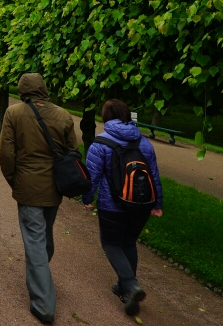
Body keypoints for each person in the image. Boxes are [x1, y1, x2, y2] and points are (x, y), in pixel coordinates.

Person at [0, 72, 78, 325]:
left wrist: (13, 179)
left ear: (23, 89)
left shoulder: (14, 113)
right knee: (45, 234)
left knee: (35, 240)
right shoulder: (64, 115)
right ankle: (41, 272)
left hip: (27, 184)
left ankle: (43, 304)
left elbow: (7, 153)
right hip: (53, 187)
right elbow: (73, 153)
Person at [83, 99, 163, 316]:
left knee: (110, 243)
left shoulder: (100, 143)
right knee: (128, 243)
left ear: (106, 117)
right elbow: (153, 175)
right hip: (142, 204)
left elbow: (93, 177)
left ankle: (130, 284)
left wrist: (87, 198)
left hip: (112, 205)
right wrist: (157, 204)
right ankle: (125, 291)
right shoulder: (144, 143)